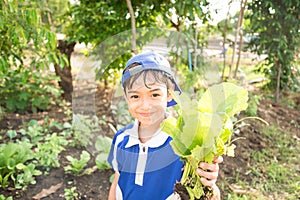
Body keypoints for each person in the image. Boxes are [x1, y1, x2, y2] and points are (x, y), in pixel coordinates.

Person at [107, 51, 222, 200]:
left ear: (169, 95)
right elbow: (117, 183)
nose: (145, 106)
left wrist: (210, 184)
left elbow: (210, 195)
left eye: (154, 95)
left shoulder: (185, 143)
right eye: (135, 96)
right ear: (127, 98)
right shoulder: (122, 139)